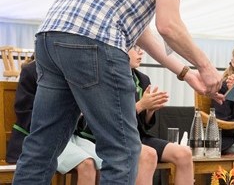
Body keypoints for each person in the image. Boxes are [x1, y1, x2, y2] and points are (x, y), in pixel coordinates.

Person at [13, 0, 222, 184]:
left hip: (51, 37)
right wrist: (207, 66)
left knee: (42, 146)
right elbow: (168, 24)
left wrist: (186, 73)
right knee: (123, 151)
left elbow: (139, 29)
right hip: (94, 43)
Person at [7, 58, 157, 185]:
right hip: (41, 134)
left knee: (108, 160)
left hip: (72, 135)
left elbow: (83, 121)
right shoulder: (31, 70)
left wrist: (80, 115)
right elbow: (24, 114)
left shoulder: (74, 71)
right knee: (87, 163)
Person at [129, 46, 194, 184]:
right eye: (135, 48)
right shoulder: (110, 78)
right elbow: (111, 117)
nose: (141, 52)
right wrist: (141, 105)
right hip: (116, 137)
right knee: (148, 154)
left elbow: (144, 123)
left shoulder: (142, 79)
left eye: (141, 48)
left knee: (185, 153)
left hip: (138, 137)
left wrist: (150, 110)